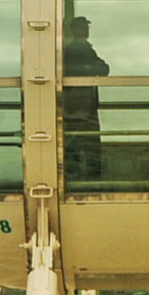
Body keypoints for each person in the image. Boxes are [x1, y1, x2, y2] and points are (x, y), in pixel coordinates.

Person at [63, 16, 110, 178]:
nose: (86, 31)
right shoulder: (74, 50)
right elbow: (96, 70)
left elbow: (104, 69)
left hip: (80, 105)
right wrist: (91, 68)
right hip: (81, 106)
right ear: (75, 30)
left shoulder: (84, 49)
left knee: (77, 144)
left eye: (87, 27)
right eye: (83, 27)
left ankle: (79, 177)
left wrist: (92, 68)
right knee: (86, 144)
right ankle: (89, 179)